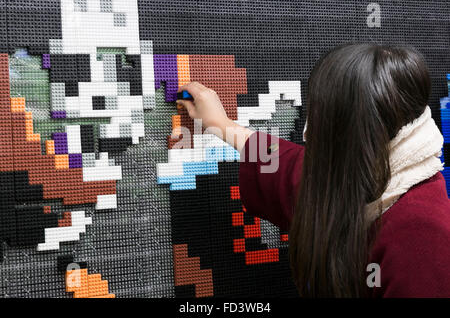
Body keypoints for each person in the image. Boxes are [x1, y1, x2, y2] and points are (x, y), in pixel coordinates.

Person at [175, 43, 450, 298]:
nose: (308, 131)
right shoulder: (359, 173)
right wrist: (222, 126)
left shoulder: (426, 243)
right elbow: (289, 168)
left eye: (320, 117)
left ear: (347, 135)